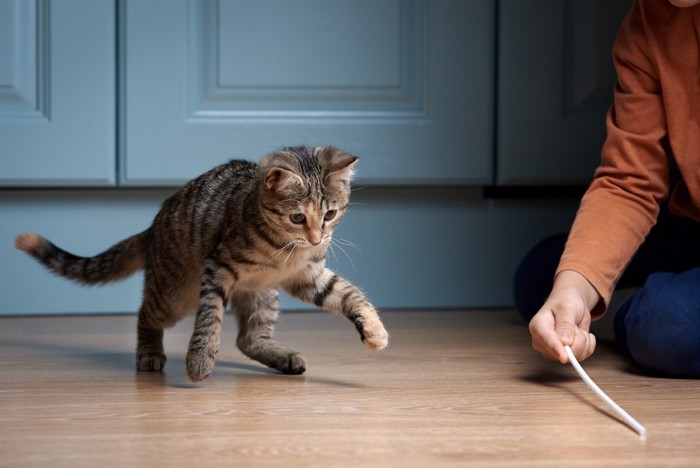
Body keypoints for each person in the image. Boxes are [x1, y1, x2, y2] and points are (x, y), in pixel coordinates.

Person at [516, 0, 700, 378]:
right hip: (690, 222)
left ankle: (638, 313)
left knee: (666, 327)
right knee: (543, 278)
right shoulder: (650, 19)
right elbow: (629, 180)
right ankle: (630, 307)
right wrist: (576, 289)